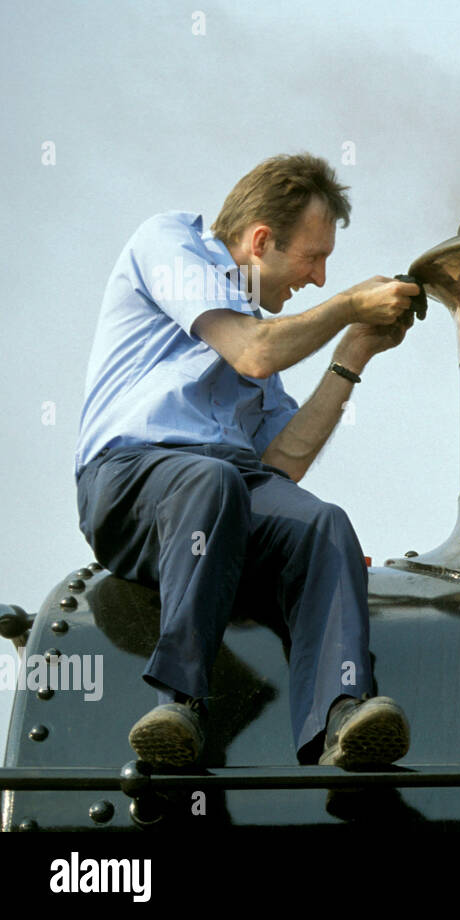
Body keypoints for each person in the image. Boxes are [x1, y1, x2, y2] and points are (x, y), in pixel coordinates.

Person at [74, 153, 421, 771]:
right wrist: (347, 304)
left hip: (227, 486)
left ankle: (341, 715)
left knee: (323, 523)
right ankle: (180, 703)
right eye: (313, 258)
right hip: (131, 480)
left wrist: (355, 351)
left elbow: (284, 462)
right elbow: (253, 354)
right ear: (261, 240)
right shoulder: (168, 241)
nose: (316, 279)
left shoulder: (266, 332)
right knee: (210, 481)